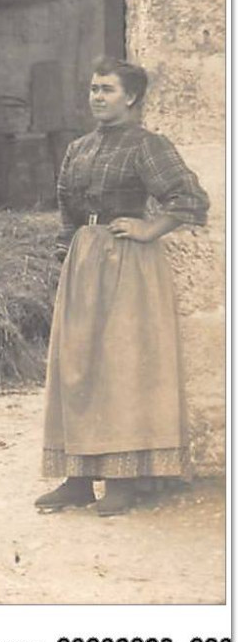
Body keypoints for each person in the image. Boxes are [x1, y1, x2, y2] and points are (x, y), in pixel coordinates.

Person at [35, 58, 208, 516]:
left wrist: (150, 229)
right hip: (84, 262)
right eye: (93, 88)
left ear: (131, 97)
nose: (97, 97)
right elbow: (66, 215)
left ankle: (123, 481)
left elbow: (189, 198)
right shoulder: (78, 148)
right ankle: (76, 479)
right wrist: (65, 260)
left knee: (120, 367)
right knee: (77, 366)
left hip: (128, 263)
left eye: (107, 89)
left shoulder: (148, 146)